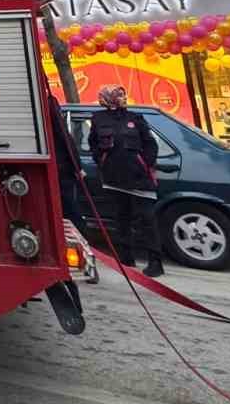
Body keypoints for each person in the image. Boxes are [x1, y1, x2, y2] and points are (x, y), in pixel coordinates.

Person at [87, 85, 164, 277]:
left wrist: (145, 163)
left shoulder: (135, 118)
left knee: (147, 220)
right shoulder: (98, 119)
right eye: (117, 95)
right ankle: (125, 257)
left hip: (139, 180)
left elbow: (150, 143)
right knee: (121, 218)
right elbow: (93, 144)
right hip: (114, 179)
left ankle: (155, 261)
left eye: (122, 95)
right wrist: (102, 162)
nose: (122, 98)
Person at [46, 91, 85, 227]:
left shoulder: (46, 102)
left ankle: (80, 235)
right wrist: (77, 167)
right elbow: (64, 135)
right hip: (61, 166)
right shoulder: (48, 102)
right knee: (68, 208)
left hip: (59, 167)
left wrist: (77, 166)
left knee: (68, 209)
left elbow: (64, 136)